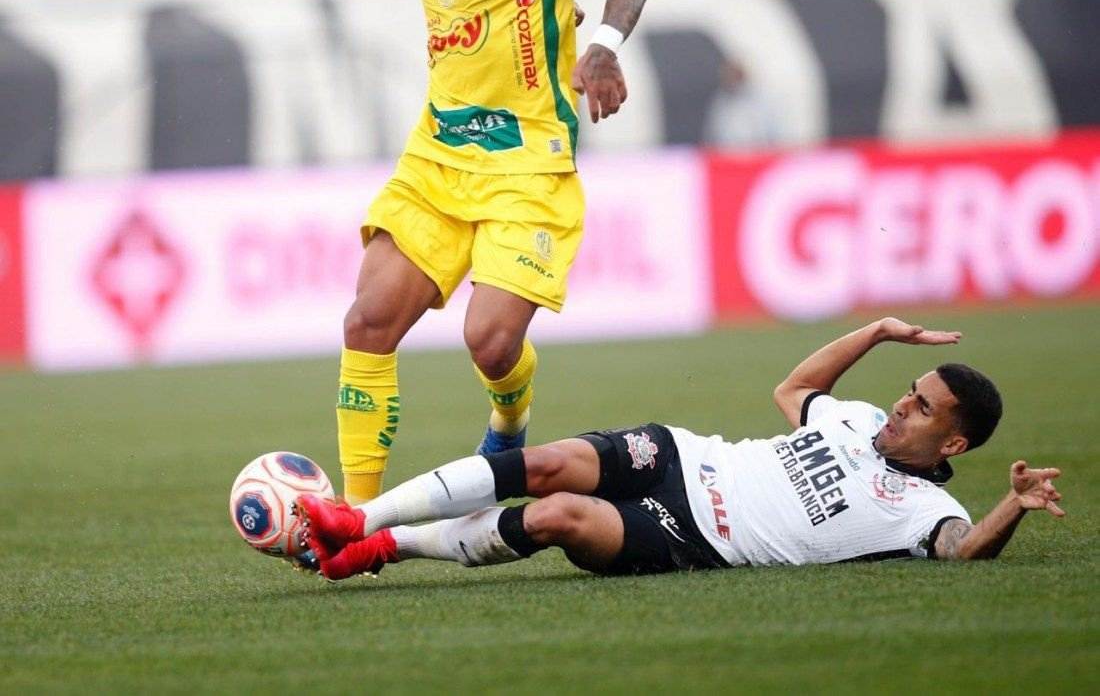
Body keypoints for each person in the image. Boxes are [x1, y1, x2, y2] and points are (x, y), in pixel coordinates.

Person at [336, 0, 650, 505]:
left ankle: (509, 419)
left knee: (491, 343)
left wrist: (600, 47)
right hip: (438, 159)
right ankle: (353, 517)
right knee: (367, 321)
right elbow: (501, 5)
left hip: (526, 167)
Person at [297, 317, 1064, 580]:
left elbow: (963, 552)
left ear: (953, 440)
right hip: (683, 455)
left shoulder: (925, 509)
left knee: (561, 513)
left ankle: (386, 545)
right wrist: (878, 331)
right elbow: (794, 390)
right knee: (548, 463)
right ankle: (358, 518)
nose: (904, 403)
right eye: (910, 388)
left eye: (923, 406)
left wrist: (1014, 505)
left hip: (697, 537)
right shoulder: (858, 419)